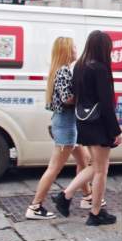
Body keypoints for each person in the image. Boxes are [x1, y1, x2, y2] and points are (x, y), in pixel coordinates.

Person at [52, 30, 122, 226]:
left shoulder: (80, 66)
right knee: (101, 170)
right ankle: (95, 212)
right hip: (99, 124)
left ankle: (65, 196)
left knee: (96, 167)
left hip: (83, 121)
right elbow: (106, 103)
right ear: (104, 48)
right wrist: (116, 130)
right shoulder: (99, 68)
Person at [26, 37, 94, 220]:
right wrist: (84, 96)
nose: (76, 50)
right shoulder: (63, 71)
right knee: (54, 168)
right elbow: (67, 98)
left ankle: (88, 197)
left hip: (66, 123)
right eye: (73, 47)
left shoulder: (59, 70)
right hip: (66, 124)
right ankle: (35, 206)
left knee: (85, 160)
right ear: (66, 50)